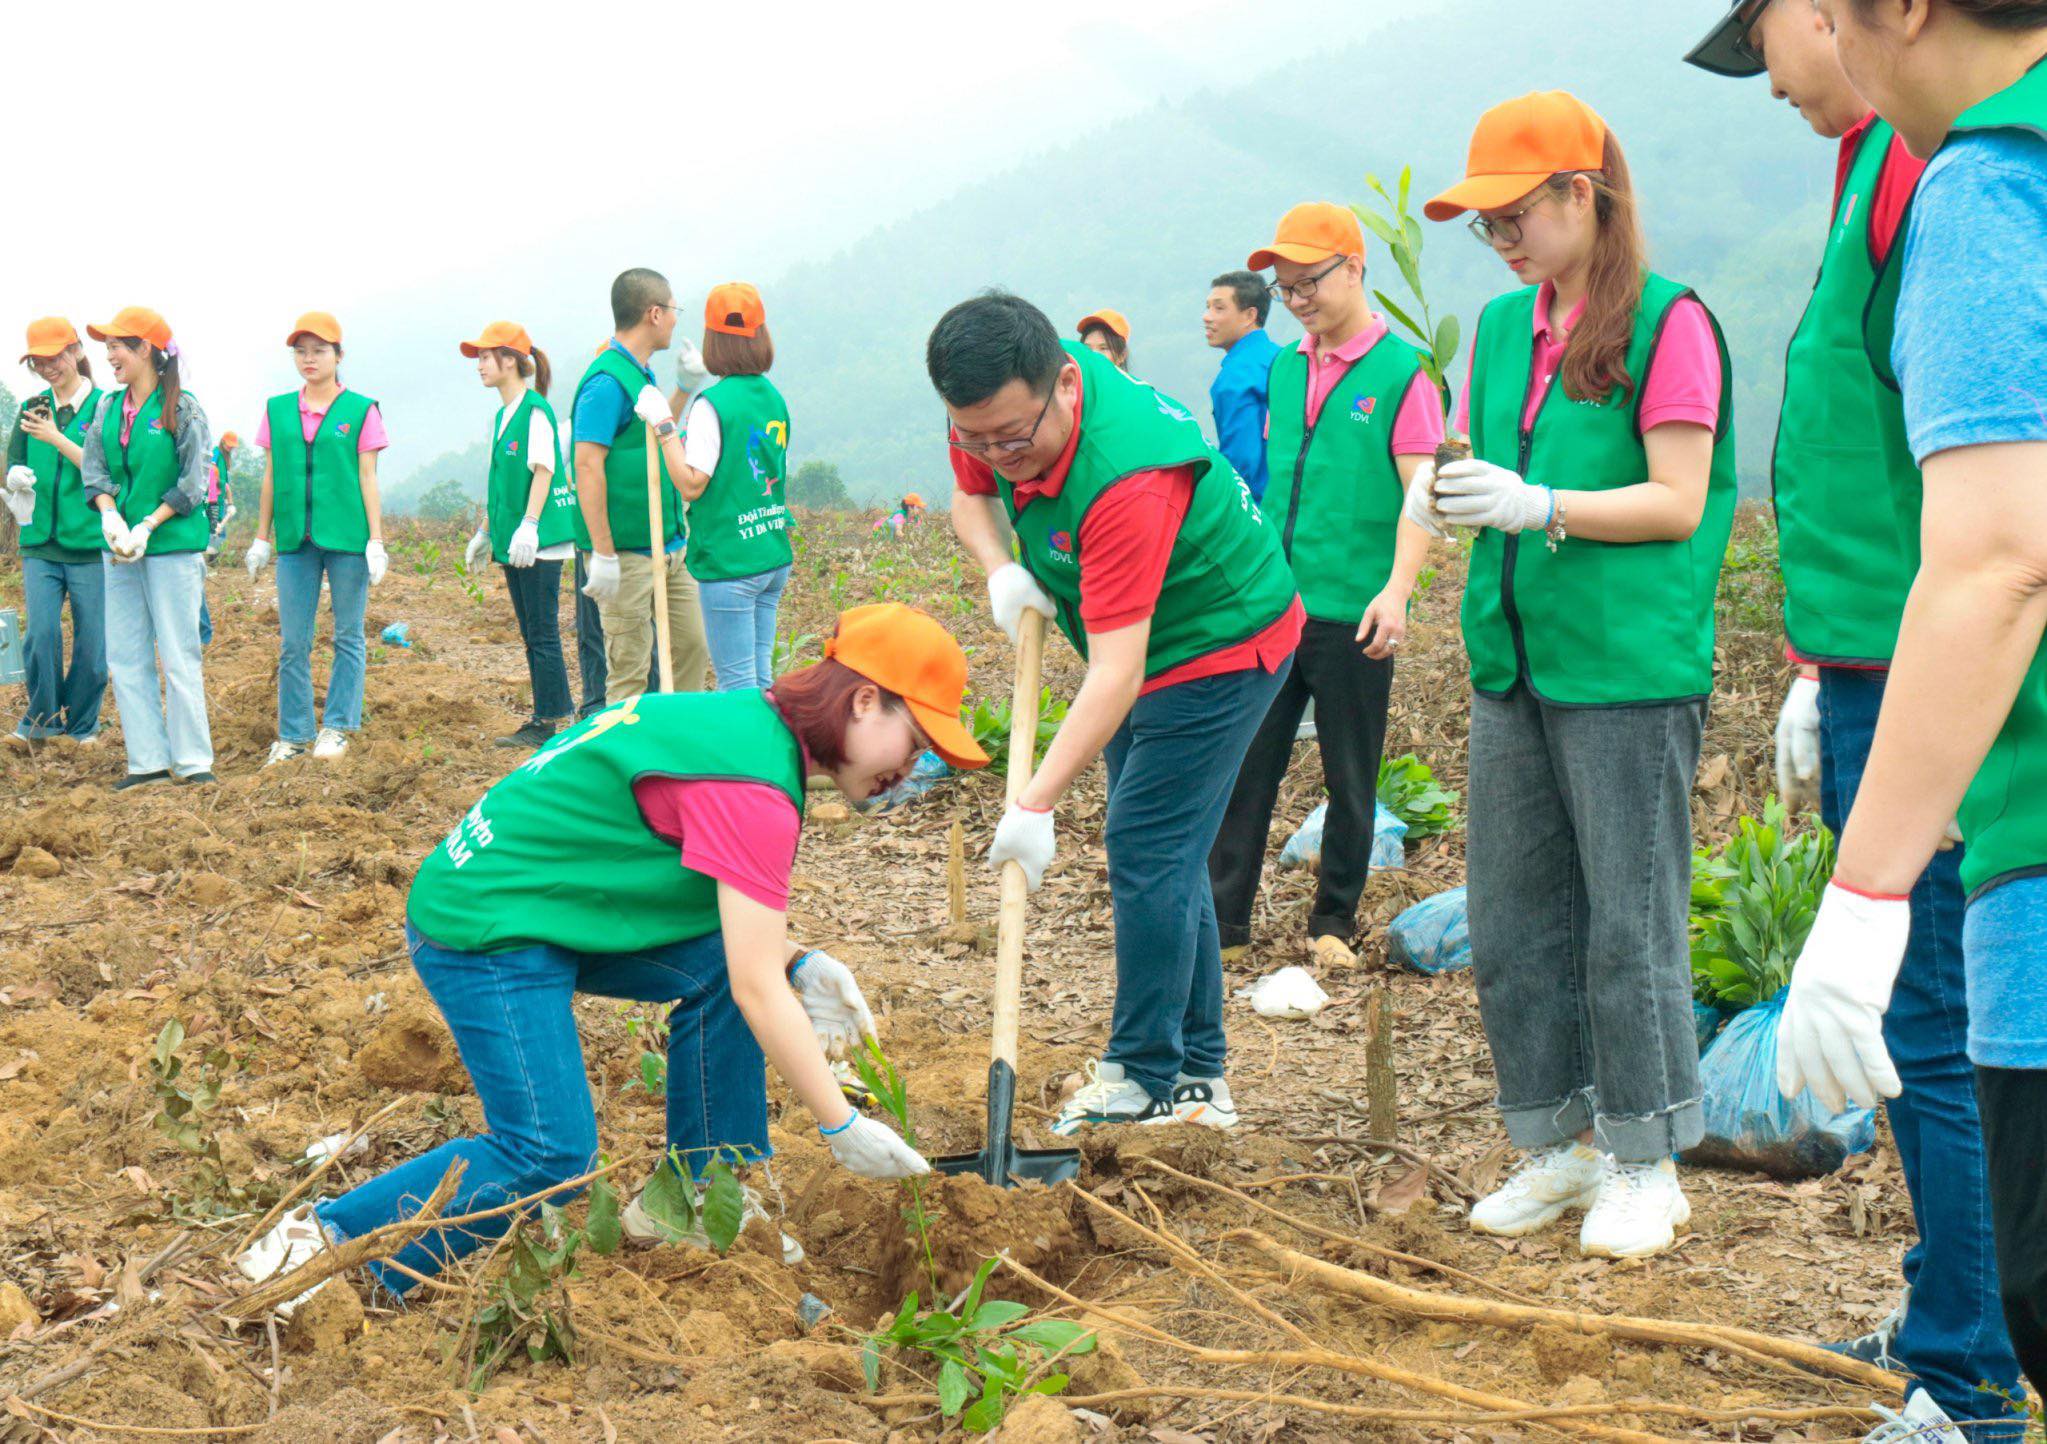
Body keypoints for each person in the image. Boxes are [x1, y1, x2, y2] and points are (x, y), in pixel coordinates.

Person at [233, 603, 981, 1307]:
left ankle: (691, 1198)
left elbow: (741, 949)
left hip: (538, 901)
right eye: (913, 743)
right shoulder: (753, 789)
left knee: (724, 969)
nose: (910, 770)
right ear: (862, 703)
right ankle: (321, 1245)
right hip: (486, 927)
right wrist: (838, 1123)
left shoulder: (737, 723)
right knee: (548, 1155)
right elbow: (755, 990)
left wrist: (797, 963)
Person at [1686, 4, 2023, 1437]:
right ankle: (1953, 1302)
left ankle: (1964, 1365)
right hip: (1893, 654)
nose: (1769, 71)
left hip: (1951, 675)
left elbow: (1985, 529)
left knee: (1932, 1033)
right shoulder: (1890, 164)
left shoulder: (1958, 170)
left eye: (1770, 30)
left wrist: (1871, 864)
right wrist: (1825, 665)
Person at [1773, 0, 2047, 1414]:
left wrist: (1861, 895)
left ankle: (1966, 1373)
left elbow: (1997, 557)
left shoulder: (1985, 185)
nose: (1815, 39)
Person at [1414, 93, 1737, 1259]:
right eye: (1481, 223)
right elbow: (1468, 446)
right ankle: (1556, 1141)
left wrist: (1540, 504)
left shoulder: (1667, 322)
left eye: (1514, 214)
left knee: (1628, 925)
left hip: (1625, 670)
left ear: (1580, 196)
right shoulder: (1504, 330)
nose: (1499, 238)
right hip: (1515, 660)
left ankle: (1646, 1159)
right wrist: (1445, 490)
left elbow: (1678, 499)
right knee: (1512, 917)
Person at [933, 292, 1303, 1135]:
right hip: (1138, 637)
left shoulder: (1128, 477)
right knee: (1166, 849)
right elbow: (968, 499)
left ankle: (1142, 1072)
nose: (998, 457)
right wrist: (999, 569)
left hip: (1219, 640)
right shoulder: (993, 399)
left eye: (1013, 439)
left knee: (1145, 844)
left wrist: (1032, 803)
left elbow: (1116, 672)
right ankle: (1199, 1072)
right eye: (976, 437)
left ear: (1066, 385)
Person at [1210, 203, 1447, 972]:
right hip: (1277, 606)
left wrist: (1397, 590)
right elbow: (1272, 481)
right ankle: (1222, 921)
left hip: (1353, 611)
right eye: (1284, 288)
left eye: (1308, 280)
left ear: (1354, 268)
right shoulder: (1283, 367)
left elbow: (1423, 492)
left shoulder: (1400, 373)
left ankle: (1333, 922)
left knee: (1350, 774)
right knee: (1247, 766)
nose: (1298, 298)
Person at [79, 307, 216, 789]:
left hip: (172, 547)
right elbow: (93, 469)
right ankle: (147, 762)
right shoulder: (107, 409)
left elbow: (195, 481)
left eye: (118, 345)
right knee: (126, 654)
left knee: (179, 653)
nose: (110, 355)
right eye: (108, 346)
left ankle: (194, 760)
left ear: (147, 351)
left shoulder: (183, 407)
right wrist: (110, 514)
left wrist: (149, 525)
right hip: (119, 548)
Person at [245, 312, 389, 764]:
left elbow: (368, 477)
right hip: (294, 540)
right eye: (301, 351)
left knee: (348, 634)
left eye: (319, 351)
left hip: (347, 537)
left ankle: (338, 727)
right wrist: (260, 537)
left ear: (338, 355)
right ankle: (293, 734)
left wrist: (377, 539)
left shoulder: (361, 409)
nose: (309, 359)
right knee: (293, 642)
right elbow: (271, 473)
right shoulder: (278, 408)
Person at [571, 268, 711, 700]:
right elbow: (587, 466)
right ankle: (627, 761)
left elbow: (647, 432)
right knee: (631, 668)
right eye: (672, 311)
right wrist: (604, 553)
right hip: (629, 554)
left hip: (670, 547)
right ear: (653, 313)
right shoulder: (606, 383)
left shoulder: (640, 374)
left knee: (691, 647)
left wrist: (683, 390)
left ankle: (681, 750)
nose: (674, 319)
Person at [457, 322, 581, 749]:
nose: (479, 366)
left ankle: (546, 722)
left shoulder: (534, 411)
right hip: (514, 539)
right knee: (532, 631)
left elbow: (544, 469)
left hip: (538, 541)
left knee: (542, 631)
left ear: (510, 360)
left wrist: (529, 524)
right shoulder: (503, 415)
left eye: (485, 357)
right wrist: (485, 531)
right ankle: (550, 711)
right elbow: (501, 481)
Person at [677, 283, 794, 693]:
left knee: (738, 684)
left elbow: (692, 484)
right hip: (771, 553)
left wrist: (662, 432)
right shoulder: (773, 397)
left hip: (731, 562)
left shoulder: (712, 404)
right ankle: (772, 753)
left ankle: (749, 758)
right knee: (761, 679)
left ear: (712, 341)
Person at [5, 319, 109, 748]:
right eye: (39, 361)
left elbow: (111, 471)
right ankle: (43, 719)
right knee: (40, 633)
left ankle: (83, 725)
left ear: (77, 351)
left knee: (93, 642)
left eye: (56, 358)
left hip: (88, 542)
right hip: (40, 542)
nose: (49, 367)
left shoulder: (107, 405)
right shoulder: (33, 405)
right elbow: (13, 458)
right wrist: (14, 477)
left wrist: (55, 437)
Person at [1204, 270, 1282, 502]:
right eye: (1208, 307)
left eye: (1219, 308)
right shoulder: (1282, 357)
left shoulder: (1237, 377)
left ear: (1249, 315)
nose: (1206, 316)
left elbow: (1241, 462)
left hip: (1258, 512)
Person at [197, 429, 238, 647]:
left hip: (213, 507)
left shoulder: (221, 463)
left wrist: (225, 507)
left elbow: (220, 488)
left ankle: (204, 634)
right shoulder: (213, 459)